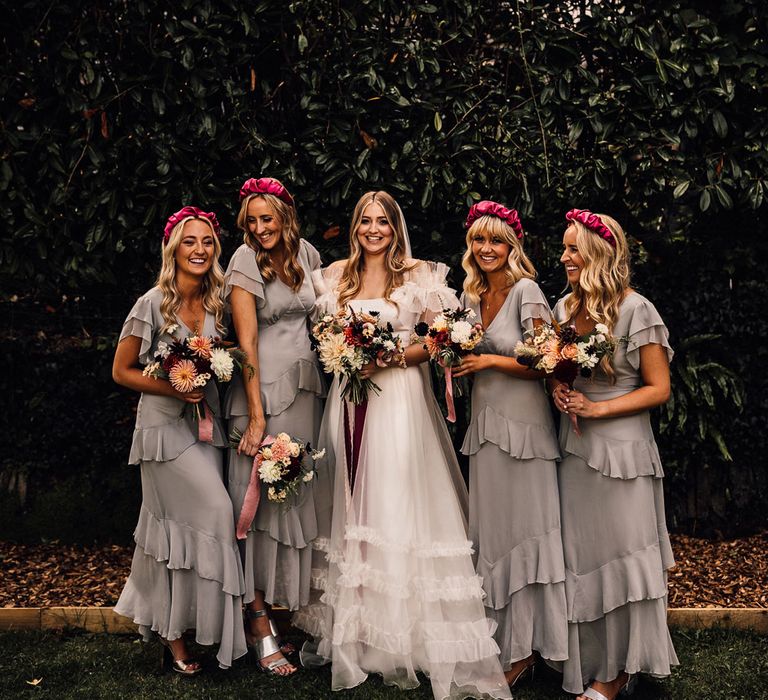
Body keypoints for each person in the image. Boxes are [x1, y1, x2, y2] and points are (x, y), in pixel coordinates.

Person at [293, 191, 511, 700]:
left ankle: (407, 636)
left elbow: (441, 339)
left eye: (382, 222)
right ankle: (362, 633)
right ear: (355, 225)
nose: (374, 230)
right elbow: (320, 334)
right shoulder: (334, 276)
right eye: (365, 220)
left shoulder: (419, 275)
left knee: (395, 498)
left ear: (395, 227)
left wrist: (391, 358)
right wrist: (345, 354)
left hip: (399, 402)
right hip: (348, 401)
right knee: (352, 502)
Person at [550, 209, 678, 700]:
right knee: (585, 558)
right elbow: (562, 373)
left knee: (623, 560)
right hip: (576, 451)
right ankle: (591, 662)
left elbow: (659, 389)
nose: (564, 257)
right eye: (564, 248)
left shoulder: (637, 309)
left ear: (599, 253)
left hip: (624, 455)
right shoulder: (563, 310)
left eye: (573, 249)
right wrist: (559, 392)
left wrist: (598, 410)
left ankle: (620, 672)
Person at [113, 206, 247, 672]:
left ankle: (186, 632)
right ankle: (174, 637)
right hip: (163, 433)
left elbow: (229, 355)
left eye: (207, 241)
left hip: (206, 428)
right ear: (174, 249)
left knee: (194, 526)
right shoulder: (152, 303)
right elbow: (121, 370)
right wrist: (174, 385)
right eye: (190, 241)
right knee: (210, 513)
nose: (200, 250)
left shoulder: (217, 304)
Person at [452, 201, 567, 688]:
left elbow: (548, 361)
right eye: (479, 240)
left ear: (512, 246)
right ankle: (499, 642)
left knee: (527, 529)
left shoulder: (527, 291)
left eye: (497, 240)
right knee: (494, 533)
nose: (487, 249)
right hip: (485, 426)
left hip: (525, 429)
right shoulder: (470, 295)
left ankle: (530, 648)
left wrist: (489, 363)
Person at [223, 177, 325, 675]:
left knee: (294, 500)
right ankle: (256, 616)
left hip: (306, 393)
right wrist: (257, 414)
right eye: (253, 220)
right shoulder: (244, 260)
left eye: (269, 218)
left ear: (286, 216)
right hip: (264, 397)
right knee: (259, 506)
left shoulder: (306, 254)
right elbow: (246, 343)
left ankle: (282, 612)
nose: (261, 228)